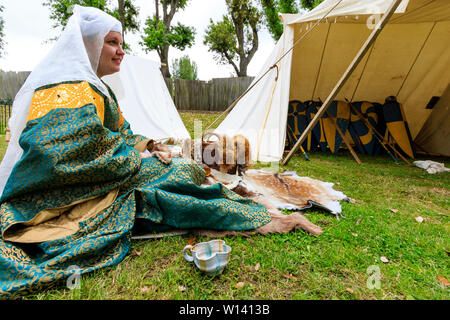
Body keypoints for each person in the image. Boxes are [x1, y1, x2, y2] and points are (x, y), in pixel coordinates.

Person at [0, 5, 271, 297]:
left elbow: (121, 132)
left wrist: (151, 145)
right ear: (89, 44)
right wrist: (135, 158)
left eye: (121, 44)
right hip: (72, 193)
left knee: (182, 165)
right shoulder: (68, 89)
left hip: (110, 171)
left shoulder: (96, 87)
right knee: (184, 169)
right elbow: (62, 153)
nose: (120, 51)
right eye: (112, 42)